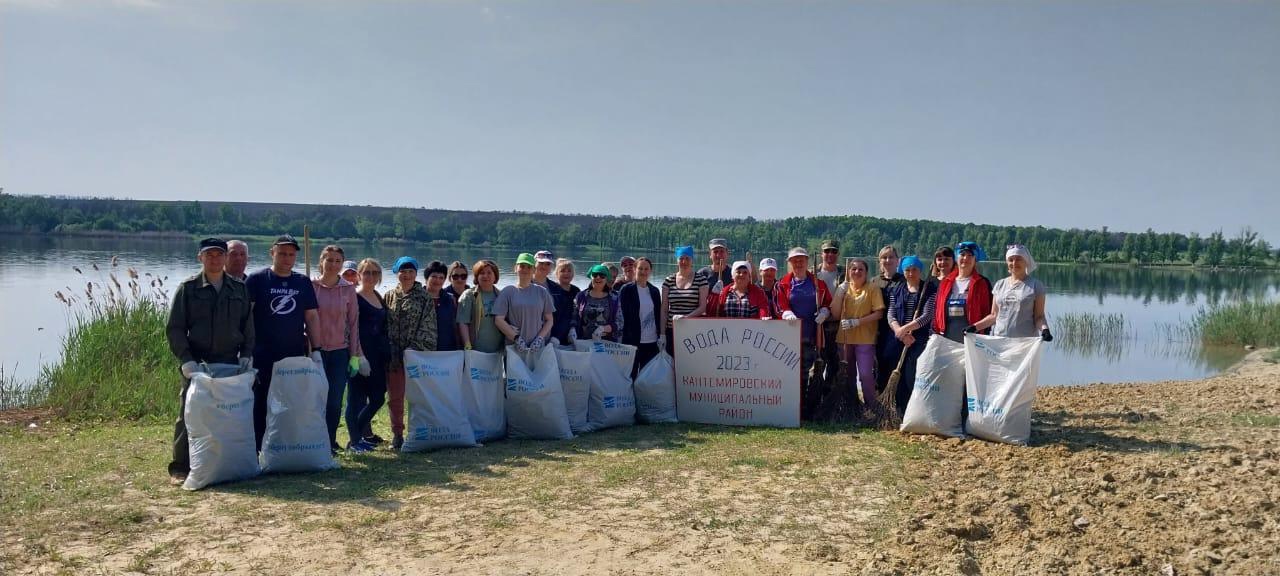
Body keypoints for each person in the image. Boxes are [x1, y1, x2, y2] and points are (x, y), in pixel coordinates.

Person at [165, 237, 254, 484]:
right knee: (189, 412)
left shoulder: (239, 289)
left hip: (229, 362)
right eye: (209, 255)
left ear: (226, 258)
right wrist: (186, 359)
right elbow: (175, 328)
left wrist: (246, 354)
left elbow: (248, 326)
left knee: (229, 414)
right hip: (198, 364)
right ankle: (181, 466)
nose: (215, 260)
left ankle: (227, 461)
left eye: (219, 255)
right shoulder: (188, 288)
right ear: (200, 258)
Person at [245, 234, 320, 451]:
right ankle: (258, 448)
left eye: (291, 254)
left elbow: (312, 317)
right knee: (261, 402)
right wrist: (246, 352)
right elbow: (246, 317)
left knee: (289, 402)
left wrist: (317, 350)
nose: (287, 258)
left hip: (293, 355)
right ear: (272, 253)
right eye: (282, 253)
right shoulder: (257, 280)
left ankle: (285, 446)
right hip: (262, 354)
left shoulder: (302, 282)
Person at [312, 245, 363, 455]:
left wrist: (355, 355)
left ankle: (330, 442)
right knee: (315, 399)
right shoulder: (310, 286)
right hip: (315, 352)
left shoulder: (348, 289)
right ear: (322, 261)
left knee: (334, 401)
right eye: (329, 260)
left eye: (337, 261)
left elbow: (353, 324)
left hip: (340, 353)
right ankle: (313, 441)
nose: (333, 264)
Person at [383, 256, 433, 451]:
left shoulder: (424, 297)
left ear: (416, 274)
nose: (407, 275)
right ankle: (397, 434)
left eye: (411, 271)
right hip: (394, 357)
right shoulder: (388, 295)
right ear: (397, 273)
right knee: (395, 397)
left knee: (418, 397)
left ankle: (419, 431)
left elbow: (428, 327)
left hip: (415, 356)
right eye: (403, 271)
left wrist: (414, 349)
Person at [776, 247, 832, 420]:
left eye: (801, 260)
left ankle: (804, 409)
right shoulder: (783, 283)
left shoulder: (818, 284)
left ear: (807, 262)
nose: (798, 263)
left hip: (810, 335)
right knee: (790, 372)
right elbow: (779, 305)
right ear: (790, 263)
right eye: (795, 260)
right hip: (789, 335)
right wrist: (786, 313)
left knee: (805, 372)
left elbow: (827, 303)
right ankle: (790, 406)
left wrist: (824, 312)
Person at [831, 258, 885, 415]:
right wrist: (840, 293)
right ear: (848, 271)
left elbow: (879, 313)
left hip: (865, 339)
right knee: (848, 375)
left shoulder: (872, 289)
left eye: (861, 269)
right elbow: (835, 314)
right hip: (845, 338)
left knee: (866, 375)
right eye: (853, 269)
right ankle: (852, 405)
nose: (857, 272)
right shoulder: (844, 289)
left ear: (866, 273)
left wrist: (857, 322)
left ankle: (871, 407)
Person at [885, 256, 938, 415]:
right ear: (903, 271)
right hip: (900, 339)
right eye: (907, 270)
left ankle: (914, 411)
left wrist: (906, 329)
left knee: (912, 376)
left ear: (920, 270)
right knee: (894, 373)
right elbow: (891, 314)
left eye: (914, 269)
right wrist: (899, 332)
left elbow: (927, 316)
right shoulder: (898, 289)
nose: (911, 273)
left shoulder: (928, 289)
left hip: (918, 339)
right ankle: (898, 409)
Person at [347, 258, 389, 452]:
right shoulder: (355, 297)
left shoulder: (379, 297)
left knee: (378, 398)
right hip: (361, 354)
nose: (371, 276)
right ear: (359, 275)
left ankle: (356, 436)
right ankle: (355, 441)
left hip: (378, 356)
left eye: (374, 273)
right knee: (356, 399)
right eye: (367, 272)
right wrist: (359, 356)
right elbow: (351, 329)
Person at [971, 245, 1053, 341]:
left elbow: (1039, 317)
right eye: (1011, 260)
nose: (1014, 263)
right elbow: (993, 315)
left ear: (1026, 261)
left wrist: (1045, 330)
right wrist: (974, 327)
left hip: (1025, 343)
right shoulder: (999, 284)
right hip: (999, 341)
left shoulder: (1036, 286)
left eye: (1019, 259)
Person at [494, 252, 556, 352]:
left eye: (529, 267)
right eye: (522, 266)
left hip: (537, 347)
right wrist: (516, 338)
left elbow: (549, 320)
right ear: (515, 268)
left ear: (534, 270)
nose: (525, 270)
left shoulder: (542, 292)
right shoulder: (507, 291)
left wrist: (539, 339)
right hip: (514, 347)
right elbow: (498, 319)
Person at [934, 241, 994, 343]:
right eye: (962, 254)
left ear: (975, 259)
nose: (965, 258)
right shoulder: (946, 282)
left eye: (970, 255)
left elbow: (988, 313)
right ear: (956, 258)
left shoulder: (982, 283)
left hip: (973, 340)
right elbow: (937, 311)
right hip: (947, 339)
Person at [619, 257, 662, 379]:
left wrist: (661, 335)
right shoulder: (626, 290)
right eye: (640, 268)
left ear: (650, 271)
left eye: (646, 269)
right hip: (632, 341)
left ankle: (644, 398)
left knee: (647, 376)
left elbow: (658, 314)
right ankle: (631, 398)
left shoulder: (654, 291)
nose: (643, 271)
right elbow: (621, 316)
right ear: (634, 269)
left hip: (651, 341)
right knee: (630, 374)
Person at [660, 246, 708, 356]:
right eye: (681, 258)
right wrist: (662, 334)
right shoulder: (669, 280)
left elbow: (702, 307)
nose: (684, 261)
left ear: (692, 260)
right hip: (672, 330)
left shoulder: (701, 280)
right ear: (676, 260)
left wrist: (686, 318)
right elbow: (664, 309)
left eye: (687, 258)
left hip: (692, 331)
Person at [870, 245, 904, 393]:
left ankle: (895, 398)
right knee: (878, 365)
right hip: (877, 329)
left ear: (898, 261)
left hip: (897, 329)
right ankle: (878, 398)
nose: (888, 260)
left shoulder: (904, 281)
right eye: (884, 257)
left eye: (891, 257)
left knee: (895, 364)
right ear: (879, 261)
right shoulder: (874, 282)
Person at [457, 259, 505, 353]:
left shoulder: (501, 296)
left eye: (489, 273)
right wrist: (467, 344)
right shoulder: (469, 295)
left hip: (497, 351)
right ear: (476, 276)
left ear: (495, 276)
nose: (485, 276)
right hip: (475, 350)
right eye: (482, 273)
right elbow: (463, 322)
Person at [532, 250, 574, 344]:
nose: (544, 266)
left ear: (551, 267)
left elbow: (563, 317)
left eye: (547, 264)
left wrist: (556, 337)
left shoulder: (557, 289)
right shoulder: (523, 285)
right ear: (534, 264)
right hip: (526, 335)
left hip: (549, 338)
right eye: (541, 263)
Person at [814, 240, 844, 372]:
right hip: (817, 325)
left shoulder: (845, 273)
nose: (830, 254)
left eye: (834, 251)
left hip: (838, 325)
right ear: (821, 254)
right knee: (817, 364)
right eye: (827, 251)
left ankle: (831, 391)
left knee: (836, 365)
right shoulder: (812, 272)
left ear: (838, 254)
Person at [575, 264, 621, 342]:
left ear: (607, 278)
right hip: (584, 341)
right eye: (595, 275)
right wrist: (572, 329)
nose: (598, 277)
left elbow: (620, 322)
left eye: (602, 275)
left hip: (608, 342)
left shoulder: (614, 298)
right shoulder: (581, 296)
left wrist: (606, 328)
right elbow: (574, 316)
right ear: (591, 277)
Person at [423, 261, 460, 352]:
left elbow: (455, 326)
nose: (437, 280)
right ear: (426, 278)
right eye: (434, 277)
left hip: (446, 350)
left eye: (441, 278)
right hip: (421, 351)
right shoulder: (417, 298)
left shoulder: (451, 299)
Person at [555, 257, 582, 342]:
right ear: (557, 274)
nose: (566, 273)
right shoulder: (552, 289)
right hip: (554, 332)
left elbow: (578, 312)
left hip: (573, 332)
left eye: (569, 271)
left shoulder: (577, 291)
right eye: (562, 271)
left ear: (573, 274)